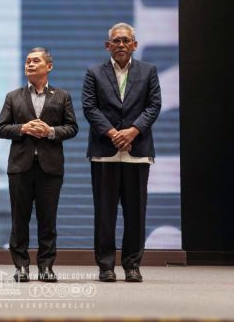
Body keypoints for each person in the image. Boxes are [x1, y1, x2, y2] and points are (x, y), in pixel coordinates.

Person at [82, 22, 161, 283]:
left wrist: (132, 131)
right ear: (108, 46)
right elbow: (90, 107)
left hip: (137, 151)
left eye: (126, 40)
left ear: (135, 45)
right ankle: (105, 266)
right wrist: (113, 133)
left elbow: (154, 105)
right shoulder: (94, 72)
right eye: (116, 41)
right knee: (104, 213)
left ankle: (132, 265)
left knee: (135, 213)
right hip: (104, 151)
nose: (121, 45)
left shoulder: (148, 71)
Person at [0, 47, 78, 283]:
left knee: (48, 221)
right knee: (19, 220)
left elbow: (72, 128)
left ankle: (46, 267)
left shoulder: (62, 96)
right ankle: (21, 266)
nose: (30, 65)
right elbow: (1, 128)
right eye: (27, 61)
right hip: (20, 167)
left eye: (35, 61)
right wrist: (23, 128)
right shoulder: (13, 96)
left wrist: (50, 131)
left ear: (48, 66)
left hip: (50, 168)